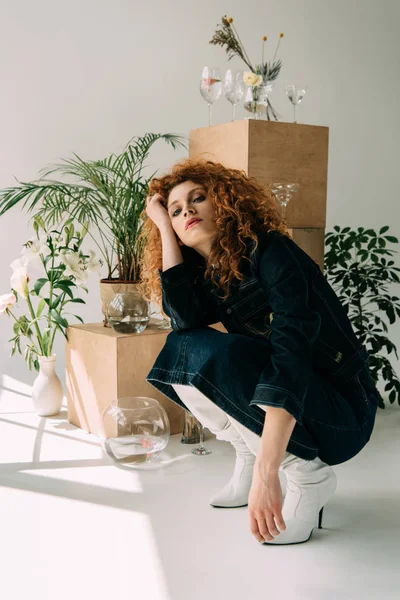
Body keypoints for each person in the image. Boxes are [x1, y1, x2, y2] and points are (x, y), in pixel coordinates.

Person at [138, 158, 380, 546]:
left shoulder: (272, 252)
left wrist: (272, 476)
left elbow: (290, 360)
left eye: (198, 199)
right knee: (183, 346)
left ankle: (307, 477)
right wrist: (165, 228)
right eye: (177, 209)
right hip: (300, 408)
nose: (188, 212)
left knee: (229, 355)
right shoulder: (216, 275)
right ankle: (247, 458)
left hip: (342, 412)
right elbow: (183, 319)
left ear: (224, 202)